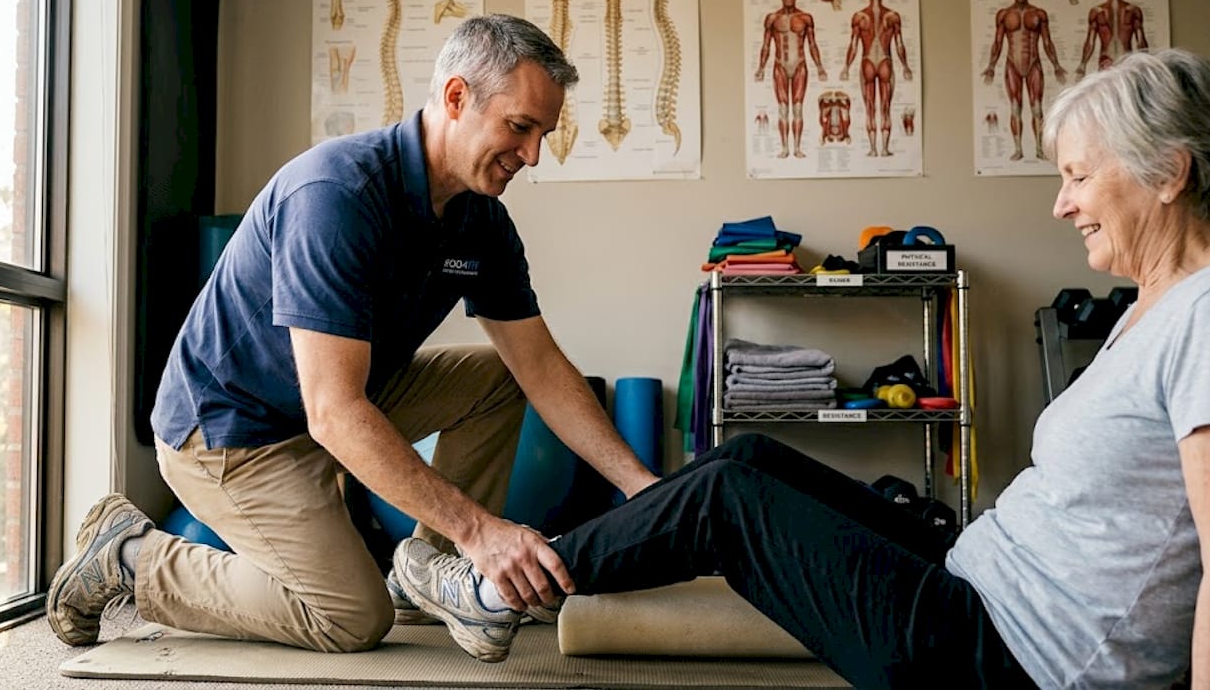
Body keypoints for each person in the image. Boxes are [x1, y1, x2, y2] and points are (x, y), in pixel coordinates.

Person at [392, 49, 1210, 689]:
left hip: (1006, 655)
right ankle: (534, 567)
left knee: (726, 499)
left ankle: (494, 592)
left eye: (1076, 176)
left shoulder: (1202, 316)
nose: (1062, 203)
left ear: (1169, 173)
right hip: (977, 574)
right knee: (746, 457)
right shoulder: (1151, 306)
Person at [45, 14, 659, 654]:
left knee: (500, 379)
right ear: (456, 98)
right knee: (350, 618)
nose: (532, 155)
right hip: (231, 430)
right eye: (520, 127)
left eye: (543, 135)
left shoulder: (481, 222)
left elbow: (540, 366)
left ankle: (430, 577)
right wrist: (483, 531)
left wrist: (643, 487)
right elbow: (333, 412)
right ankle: (127, 558)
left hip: (334, 403)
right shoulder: (336, 195)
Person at [981, 0, 1068, 161]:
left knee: (1037, 109)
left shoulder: (1039, 14)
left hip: (1033, 63)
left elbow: (1047, 41)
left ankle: (1038, 148)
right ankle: (1019, 149)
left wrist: (1056, 65)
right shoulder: (1004, 15)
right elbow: (997, 42)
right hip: (1012, 64)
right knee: (1015, 108)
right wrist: (991, 66)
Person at [839, 0, 912, 158]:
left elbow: (854, 45)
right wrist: (905, 66)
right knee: (885, 107)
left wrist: (846, 67)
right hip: (885, 61)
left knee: (870, 107)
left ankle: (873, 149)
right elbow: (899, 44)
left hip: (868, 62)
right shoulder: (892, 16)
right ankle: (885, 149)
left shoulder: (860, 17)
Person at [755, 0, 827, 159]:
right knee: (782, 108)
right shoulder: (772, 19)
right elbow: (765, 46)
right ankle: (785, 148)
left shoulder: (805, 18)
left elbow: (812, 44)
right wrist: (761, 67)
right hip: (780, 65)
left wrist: (819, 67)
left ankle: (797, 147)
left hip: (800, 65)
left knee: (797, 108)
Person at [1075, 0, 1148, 80]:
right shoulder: (1096, 12)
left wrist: (1146, 63)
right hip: (1106, 61)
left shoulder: (1133, 11)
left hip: (1126, 60)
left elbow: (1141, 41)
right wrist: (1083, 64)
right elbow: (1090, 41)